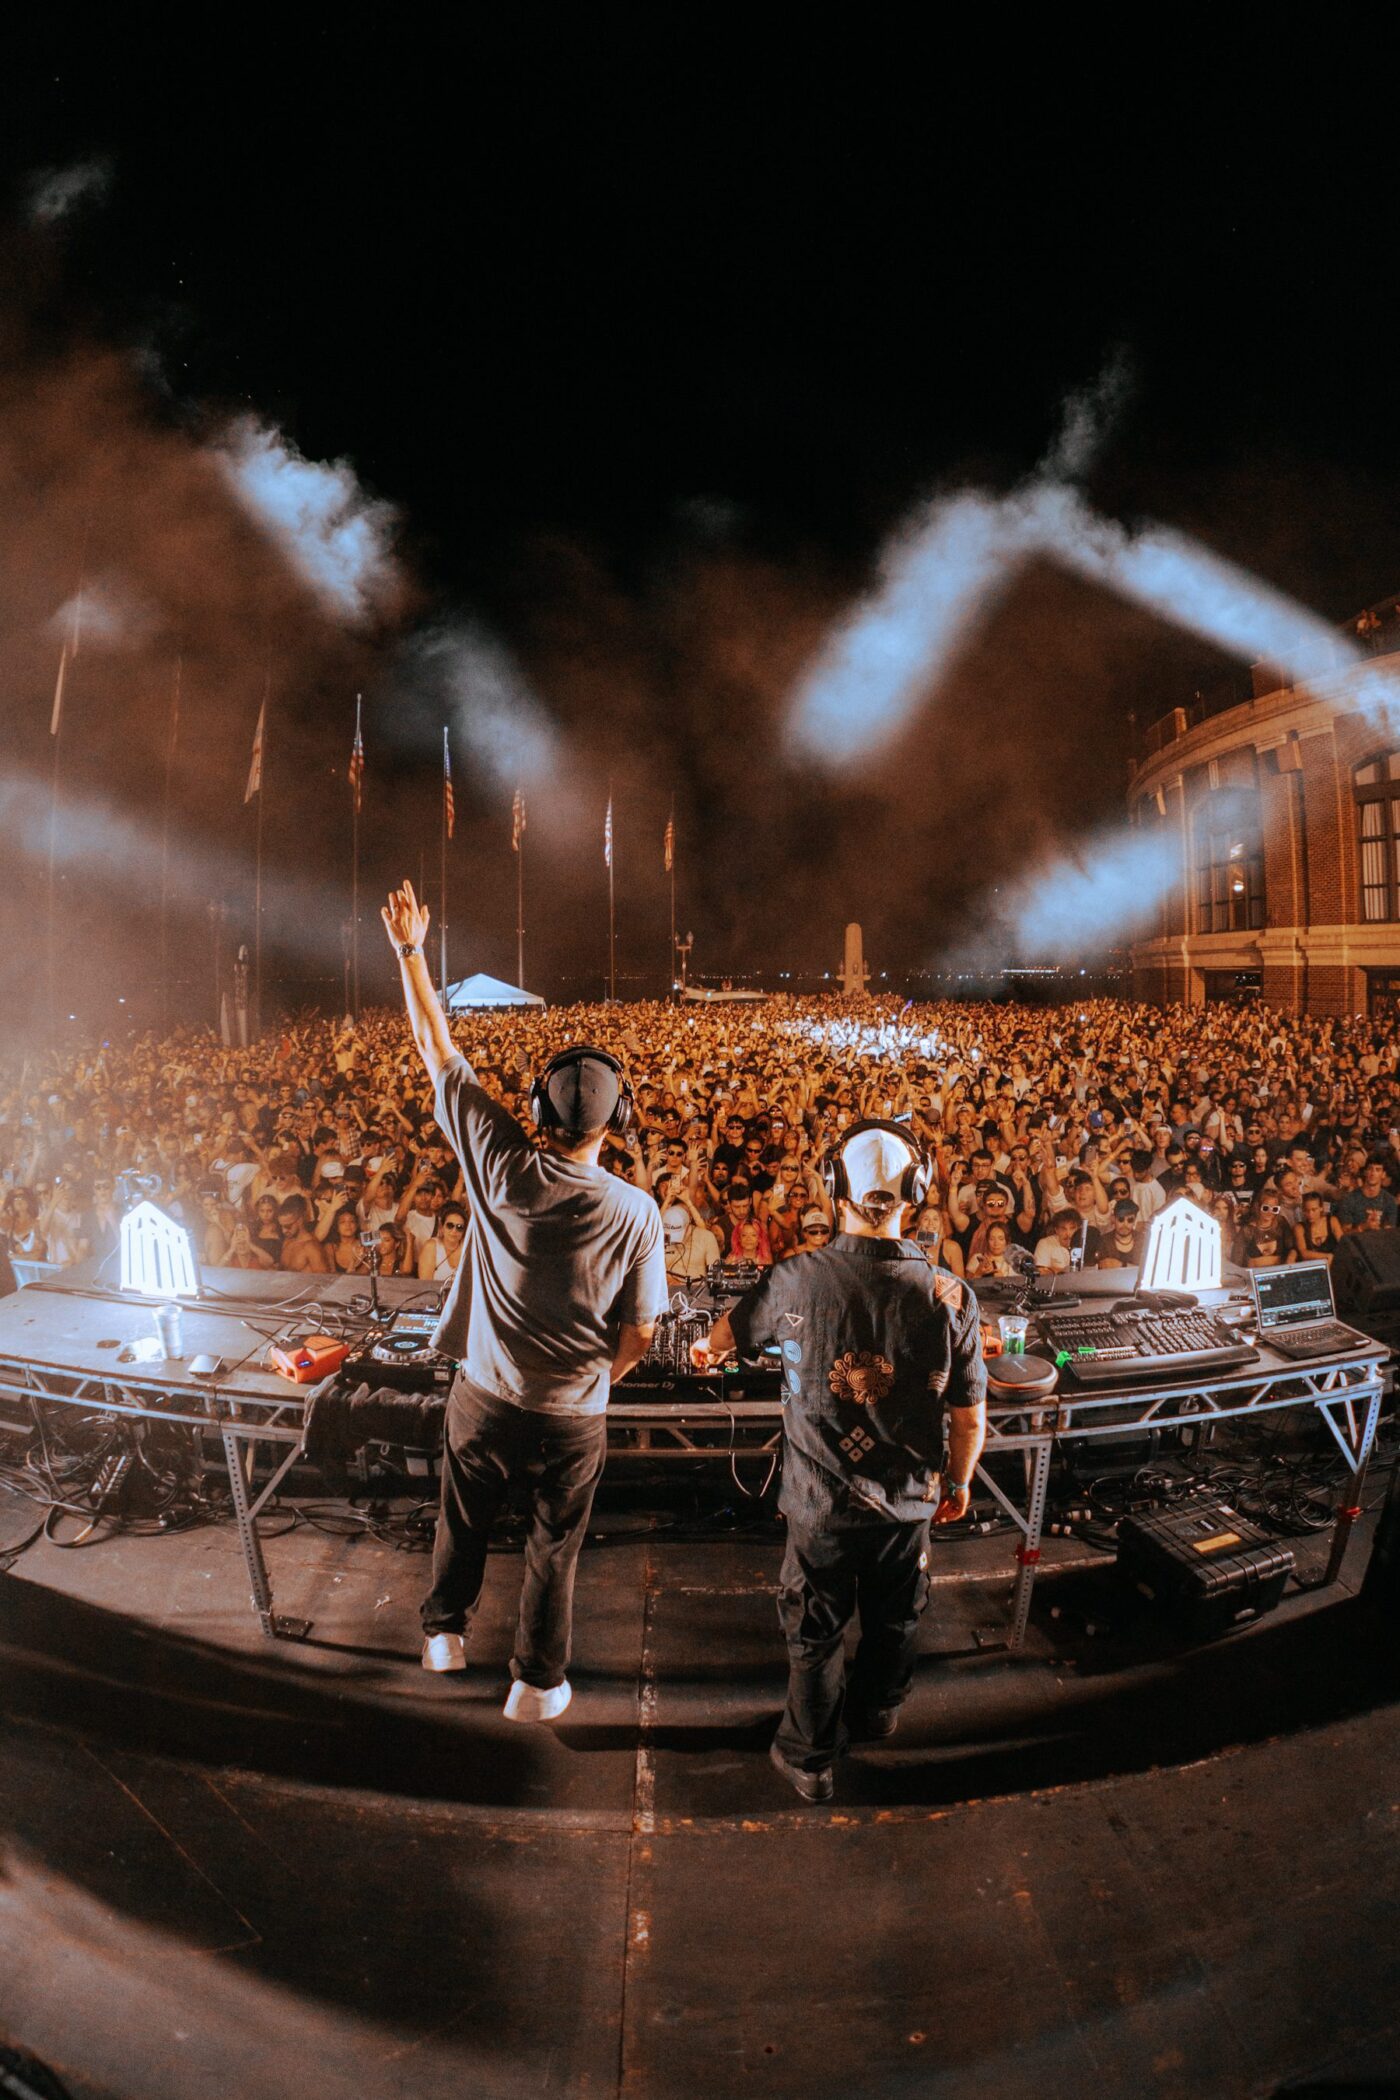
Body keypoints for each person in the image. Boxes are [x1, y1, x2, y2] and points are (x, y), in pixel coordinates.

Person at [384, 880, 667, 1722]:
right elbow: (643, 1328)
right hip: (575, 1407)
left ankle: (443, 1634)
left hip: (485, 1390)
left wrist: (409, 951)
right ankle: (537, 1684)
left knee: (462, 1514)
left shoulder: (500, 1163)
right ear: (615, 1123)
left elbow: (437, 1048)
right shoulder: (639, 1210)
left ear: (539, 1109)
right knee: (555, 1545)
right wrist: (601, 1379)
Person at [697, 1120, 986, 1801]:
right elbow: (969, 1415)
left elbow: (721, 1339)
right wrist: (961, 1481)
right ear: (918, 1192)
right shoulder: (952, 1297)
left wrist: (714, 1350)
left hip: (819, 1505)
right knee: (896, 1618)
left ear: (835, 1191)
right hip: (907, 1502)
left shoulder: (795, 1279)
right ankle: (878, 1712)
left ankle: (810, 1759)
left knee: (816, 1633)